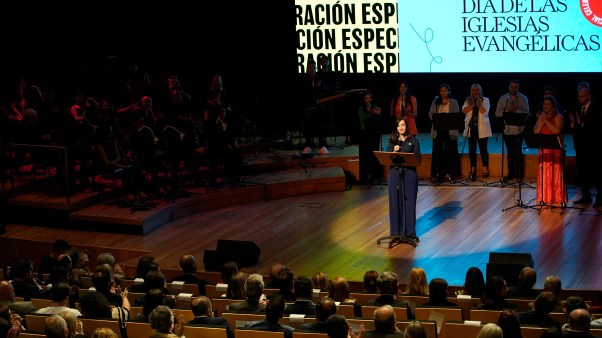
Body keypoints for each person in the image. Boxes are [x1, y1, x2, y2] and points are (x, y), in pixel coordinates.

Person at [386, 117, 421, 241]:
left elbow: (418, 159)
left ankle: (409, 233)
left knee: (409, 203)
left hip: (409, 174)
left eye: (403, 125)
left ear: (407, 126)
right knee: (395, 203)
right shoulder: (392, 142)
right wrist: (393, 151)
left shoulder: (413, 141)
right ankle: (396, 233)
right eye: (399, 125)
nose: (401, 127)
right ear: (396, 128)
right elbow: (387, 156)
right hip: (394, 174)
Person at [569, 87, 602, 207]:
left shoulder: (596, 108)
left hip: (593, 146)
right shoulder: (577, 108)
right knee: (582, 171)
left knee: (595, 172)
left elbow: (595, 127)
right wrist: (573, 124)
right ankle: (586, 196)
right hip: (580, 145)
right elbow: (575, 127)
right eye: (579, 96)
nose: (580, 98)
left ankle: (600, 197)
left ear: (588, 96)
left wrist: (581, 124)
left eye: (582, 96)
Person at [533, 96, 567, 207]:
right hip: (544, 149)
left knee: (555, 172)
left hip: (555, 149)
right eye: (544, 104)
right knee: (544, 172)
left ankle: (557, 197)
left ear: (553, 105)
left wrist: (546, 120)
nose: (545, 106)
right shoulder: (541, 117)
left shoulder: (558, 116)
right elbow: (536, 131)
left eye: (548, 104)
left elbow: (556, 130)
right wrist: (542, 121)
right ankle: (545, 196)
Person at [494, 79, 530, 181]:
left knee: (518, 151)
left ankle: (519, 173)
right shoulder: (503, 98)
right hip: (507, 130)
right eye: (511, 86)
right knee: (509, 151)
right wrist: (507, 110)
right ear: (508, 87)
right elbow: (497, 113)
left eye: (515, 87)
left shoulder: (523, 98)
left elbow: (527, 113)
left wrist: (516, 110)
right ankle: (511, 172)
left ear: (518, 88)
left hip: (518, 130)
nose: (513, 89)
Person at [428, 84, 461, 182]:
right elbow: (430, 114)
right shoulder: (435, 102)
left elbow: (456, 115)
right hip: (438, 130)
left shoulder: (454, 102)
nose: (443, 92)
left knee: (451, 152)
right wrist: (436, 119)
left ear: (449, 91)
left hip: (450, 131)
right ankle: (438, 174)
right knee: (438, 152)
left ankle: (451, 173)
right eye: (441, 90)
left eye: (445, 90)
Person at [462, 83, 492, 180]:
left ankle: (485, 168)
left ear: (480, 91)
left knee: (483, 148)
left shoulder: (485, 100)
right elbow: (464, 110)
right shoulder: (467, 100)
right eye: (474, 90)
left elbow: (484, 111)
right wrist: (473, 105)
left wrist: (478, 104)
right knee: (471, 149)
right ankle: (473, 169)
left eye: (477, 90)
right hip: (472, 128)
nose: (476, 92)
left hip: (482, 127)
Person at [358, 91, 383, 183]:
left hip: (374, 134)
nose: (368, 100)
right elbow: (363, 120)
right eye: (366, 98)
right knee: (365, 154)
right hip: (365, 134)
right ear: (364, 99)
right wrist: (370, 113)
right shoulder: (361, 109)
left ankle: (375, 175)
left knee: (374, 153)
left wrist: (378, 114)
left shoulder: (375, 107)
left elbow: (379, 120)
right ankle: (365, 176)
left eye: (370, 98)